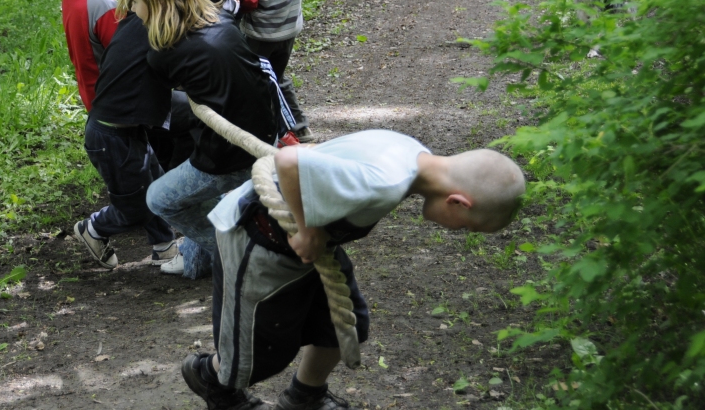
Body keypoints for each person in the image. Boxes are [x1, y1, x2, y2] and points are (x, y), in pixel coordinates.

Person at [182, 131, 526, 410]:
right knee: (260, 354)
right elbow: (289, 160)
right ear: (458, 202)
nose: (458, 231)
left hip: (310, 250)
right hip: (258, 240)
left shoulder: (410, 150)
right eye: (465, 226)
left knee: (343, 325)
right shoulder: (385, 182)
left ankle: (305, 396)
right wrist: (307, 230)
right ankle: (210, 380)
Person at [119, 0, 278, 280]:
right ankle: (199, 262)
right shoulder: (221, 20)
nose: (132, 9)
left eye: (135, 1)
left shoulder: (164, 54)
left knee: (159, 198)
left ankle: (241, 252)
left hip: (233, 155)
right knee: (191, 178)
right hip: (265, 134)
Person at [72, 10, 178, 269]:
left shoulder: (139, 22)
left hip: (128, 130)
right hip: (111, 137)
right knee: (135, 207)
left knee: (154, 186)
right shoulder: (146, 28)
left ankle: (164, 245)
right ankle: (93, 228)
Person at [234, 0, 314, 144]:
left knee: (256, 81)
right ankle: (299, 127)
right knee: (276, 76)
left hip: (262, 35)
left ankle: (264, 133)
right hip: (288, 31)